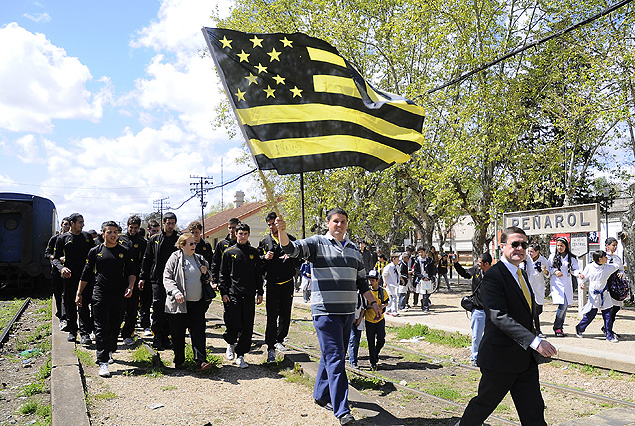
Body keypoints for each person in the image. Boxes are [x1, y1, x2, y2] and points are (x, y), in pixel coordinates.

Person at [275, 208, 381, 426]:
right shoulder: (316, 244)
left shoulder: (353, 250)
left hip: (346, 313)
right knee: (336, 359)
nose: (339, 225)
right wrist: (282, 231)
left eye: (342, 221)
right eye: (335, 221)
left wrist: (373, 302)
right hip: (325, 312)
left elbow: (361, 281)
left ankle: (321, 394)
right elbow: (291, 249)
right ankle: (342, 411)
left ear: (346, 224)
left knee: (332, 355)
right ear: (328, 223)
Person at [457, 226, 557, 426]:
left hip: (525, 360)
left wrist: (534, 335)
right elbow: (498, 316)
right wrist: (535, 341)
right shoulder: (494, 275)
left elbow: (525, 313)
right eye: (515, 244)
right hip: (500, 360)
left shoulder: (521, 273)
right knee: (482, 407)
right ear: (502, 246)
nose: (520, 248)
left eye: (523, 244)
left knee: (534, 411)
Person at [76, 221, 135, 377]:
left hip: (119, 294)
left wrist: (131, 286)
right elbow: (86, 273)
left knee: (115, 326)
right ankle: (102, 361)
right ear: (103, 234)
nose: (113, 235)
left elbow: (132, 272)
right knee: (101, 327)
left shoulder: (124, 251)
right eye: (109, 232)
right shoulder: (95, 251)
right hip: (100, 293)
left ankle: (109, 351)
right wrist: (79, 293)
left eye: (115, 232)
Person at [163, 233, 215, 370]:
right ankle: (179, 361)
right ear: (182, 245)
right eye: (191, 244)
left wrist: (206, 272)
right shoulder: (175, 258)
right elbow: (167, 278)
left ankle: (201, 361)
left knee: (199, 332)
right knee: (178, 333)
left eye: (195, 243)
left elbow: (209, 277)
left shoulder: (199, 259)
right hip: (179, 304)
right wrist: (175, 292)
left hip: (197, 303)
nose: (194, 246)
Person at [219, 223, 263, 369]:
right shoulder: (229, 252)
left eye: (245, 233)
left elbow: (258, 275)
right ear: (235, 234)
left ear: (248, 234)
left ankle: (241, 355)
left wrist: (260, 292)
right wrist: (224, 292)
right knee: (234, 323)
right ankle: (230, 343)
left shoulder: (254, 252)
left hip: (249, 295)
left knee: (247, 326)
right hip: (233, 294)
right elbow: (223, 275)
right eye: (240, 233)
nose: (242, 236)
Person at [258, 212, 297, 363]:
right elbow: (258, 264)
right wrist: (264, 258)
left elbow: (300, 259)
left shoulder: (290, 240)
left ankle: (280, 339)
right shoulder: (264, 241)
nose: (271, 227)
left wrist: (291, 256)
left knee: (285, 314)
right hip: (273, 284)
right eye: (269, 224)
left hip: (287, 282)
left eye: (273, 223)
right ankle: (270, 346)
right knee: (271, 315)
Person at [53, 213, 95, 344]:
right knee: (70, 304)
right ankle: (72, 330)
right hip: (70, 277)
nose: (83, 225)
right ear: (72, 223)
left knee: (84, 304)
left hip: (86, 277)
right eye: (80, 222)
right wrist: (62, 268)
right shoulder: (62, 238)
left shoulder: (87, 237)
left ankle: (85, 333)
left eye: (83, 222)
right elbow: (55, 258)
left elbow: (94, 254)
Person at [140, 212, 179, 350]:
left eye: (173, 223)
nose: (170, 226)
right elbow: (147, 259)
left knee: (171, 308)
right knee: (158, 306)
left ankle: (166, 336)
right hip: (157, 278)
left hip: (174, 279)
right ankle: (157, 335)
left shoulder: (179, 239)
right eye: (168, 223)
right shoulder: (155, 239)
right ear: (163, 223)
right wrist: (143, 277)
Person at [575, 250, 623, 342]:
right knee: (591, 314)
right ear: (600, 259)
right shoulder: (590, 267)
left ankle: (609, 335)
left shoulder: (607, 267)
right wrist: (581, 283)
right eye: (605, 257)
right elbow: (582, 277)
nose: (607, 258)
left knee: (608, 313)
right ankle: (580, 328)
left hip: (604, 292)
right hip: (594, 294)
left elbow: (618, 264)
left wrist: (613, 256)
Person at [454, 253, 492, 367]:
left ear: (487, 264)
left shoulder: (495, 273)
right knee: (476, 336)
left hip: (492, 311)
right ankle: (475, 357)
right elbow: (465, 273)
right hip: (478, 310)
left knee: (491, 336)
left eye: (480, 262)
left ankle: (489, 356)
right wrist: (456, 263)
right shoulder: (476, 270)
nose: (477, 264)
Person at [119, 215, 148, 346]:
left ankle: (127, 334)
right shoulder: (119, 240)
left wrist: (141, 278)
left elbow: (144, 262)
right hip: (119, 278)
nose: (133, 230)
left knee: (132, 309)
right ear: (127, 226)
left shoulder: (142, 243)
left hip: (134, 279)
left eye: (136, 228)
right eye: (131, 228)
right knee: (118, 308)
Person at [548, 236, 580, 337]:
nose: (559, 247)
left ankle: (559, 328)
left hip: (567, 283)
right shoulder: (552, 256)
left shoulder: (571, 257)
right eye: (558, 245)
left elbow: (575, 269)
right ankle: (557, 327)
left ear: (566, 246)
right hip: (557, 284)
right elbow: (549, 268)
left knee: (565, 307)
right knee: (563, 305)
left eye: (561, 245)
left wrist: (579, 274)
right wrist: (555, 271)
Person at [45, 216, 70, 330]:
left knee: (67, 295)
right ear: (62, 225)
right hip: (57, 271)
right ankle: (61, 315)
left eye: (69, 224)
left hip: (69, 271)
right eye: (65, 224)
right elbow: (47, 253)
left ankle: (66, 316)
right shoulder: (55, 239)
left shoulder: (72, 239)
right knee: (58, 294)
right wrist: (56, 258)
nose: (67, 226)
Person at [365, 269, 389, 370]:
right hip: (369, 320)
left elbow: (387, 302)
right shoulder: (367, 292)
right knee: (370, 341)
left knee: (381, 339)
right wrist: (373, 307)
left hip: (380, 320)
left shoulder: (382, 291)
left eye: (373, 280)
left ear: (378, 280)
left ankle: (376, 353)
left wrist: (381, 307)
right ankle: (373, 362)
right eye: (370, 280)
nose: (371, 282)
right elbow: (365, 305)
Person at [525, 243, 549, 338]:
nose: (530, 253)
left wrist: (545, 270)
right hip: (528, 287)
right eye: (529, 251)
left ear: (537, 252)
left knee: (538, 309)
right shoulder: (526, 259)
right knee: (533, 310)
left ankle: (534, 328)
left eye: (532, 251)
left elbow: (548, 274)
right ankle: (537, 330)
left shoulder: (543, 260)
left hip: (538, 287)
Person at [604, 237, 625, 337]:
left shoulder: (617, 258)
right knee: (609, 308)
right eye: (613, 245)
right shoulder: (603, 257)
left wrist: (621, 273)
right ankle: (608, 329)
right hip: (606, 285)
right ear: (607, 246)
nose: (615, 247)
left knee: (616, 307)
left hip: (616, 285)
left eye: (616, 245)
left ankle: (607, 327)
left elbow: (621, 268)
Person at [211, 218, 239, 287]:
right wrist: (214, 280)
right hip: (225, 279)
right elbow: (215, 263)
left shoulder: (243, 243)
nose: (231, 230)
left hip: (238, 279)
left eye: (234, 228)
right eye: (230, 228)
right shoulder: (221, 243)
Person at [347, 288, 366, 369]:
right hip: (349, 318)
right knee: (352, 340)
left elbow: (363, 307)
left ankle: (353, 357)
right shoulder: (349, 294)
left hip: (359, 320)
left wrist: (359, 319)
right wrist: (353, 319)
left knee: (356, 341)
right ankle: (353, 361)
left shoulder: (362, 294)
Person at [413, 247, 434, 312]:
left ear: (425, 251)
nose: (420, 254)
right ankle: (425, 307)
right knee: (424, 293)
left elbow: (433, 269)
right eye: (419, 252)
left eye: (421, 252)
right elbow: (416, 271)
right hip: (421, 279)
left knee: (428, 293)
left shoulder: (430, 260)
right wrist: (422, 277)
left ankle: (423, 302)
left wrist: (429, 277)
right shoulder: (417, 260)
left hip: (428, 279)